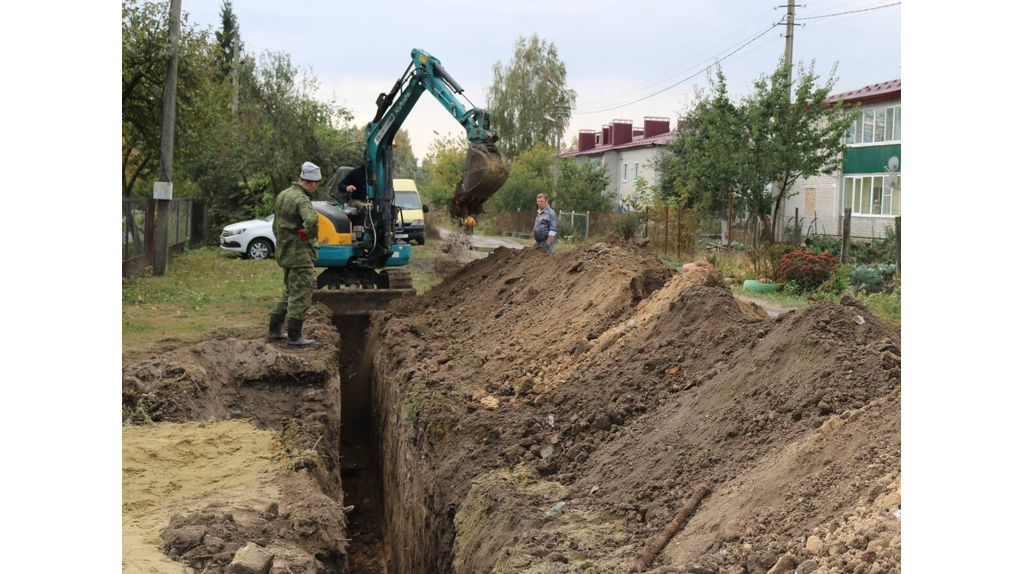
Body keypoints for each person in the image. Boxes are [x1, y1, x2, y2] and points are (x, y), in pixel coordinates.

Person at [268, 162, 321, 346]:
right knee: (301, 293)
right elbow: (312, 220)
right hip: (300, 255)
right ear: (313, 183)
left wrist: (284, 241)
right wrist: (308, 235)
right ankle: (294, 336)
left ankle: (274, 330)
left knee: (289, 291)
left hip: (285, 252)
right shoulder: (302, 199)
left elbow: (276, 226)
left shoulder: (283, 195)